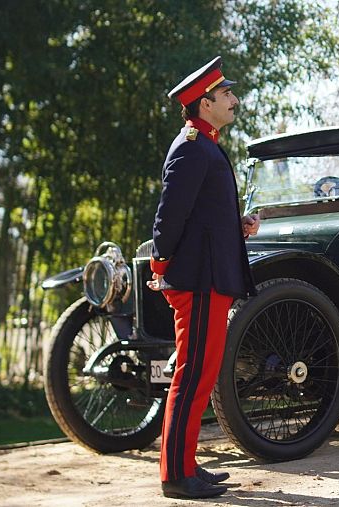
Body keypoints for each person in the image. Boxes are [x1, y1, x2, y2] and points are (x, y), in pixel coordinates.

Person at [149, 56, 259, 499]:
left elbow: (201, 215)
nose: (234, 99)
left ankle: (187, 463)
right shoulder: (193, 146)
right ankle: (175, 476)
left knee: (202, 373)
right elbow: (169, 216)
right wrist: (160, 265)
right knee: (191, 375)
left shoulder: (206, 144)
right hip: (195, 280)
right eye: (226, 94)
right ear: (205, 103)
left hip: (210, 278)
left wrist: (237, 224)